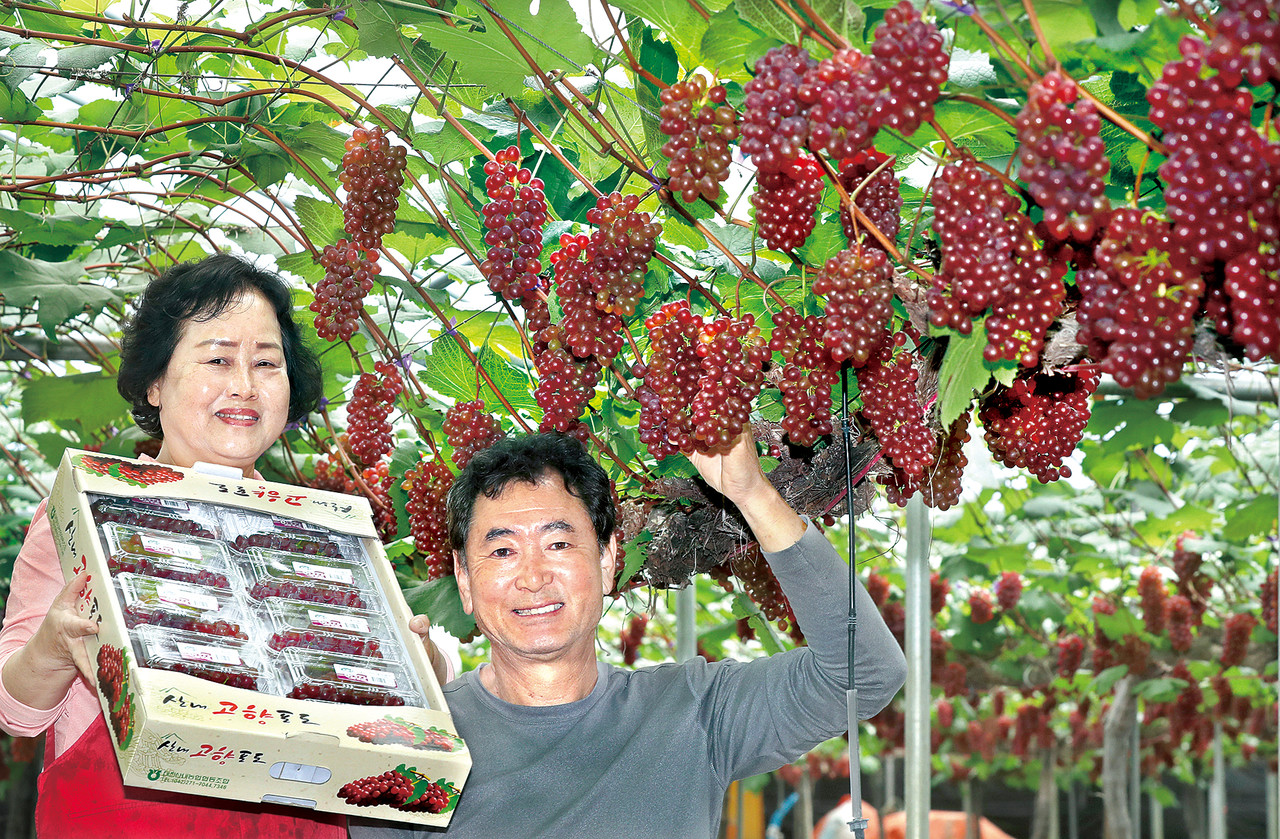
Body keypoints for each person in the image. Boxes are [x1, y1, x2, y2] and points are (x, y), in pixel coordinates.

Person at [350, 429, 908, 838]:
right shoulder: (417, 745)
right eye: (501, 550)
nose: (533, 576)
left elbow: (863, 674)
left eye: (560, 543)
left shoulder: (693, 712)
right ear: (464, 582)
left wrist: (752, 493)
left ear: (610, 559)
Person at [0, 253, 344, 837]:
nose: (244, 385)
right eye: (217, 358)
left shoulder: (323, 532)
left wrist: (421, 672)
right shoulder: (86, 509)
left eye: (266, 363)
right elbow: (16, 713)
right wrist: (55, 647)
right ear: (156, 383)